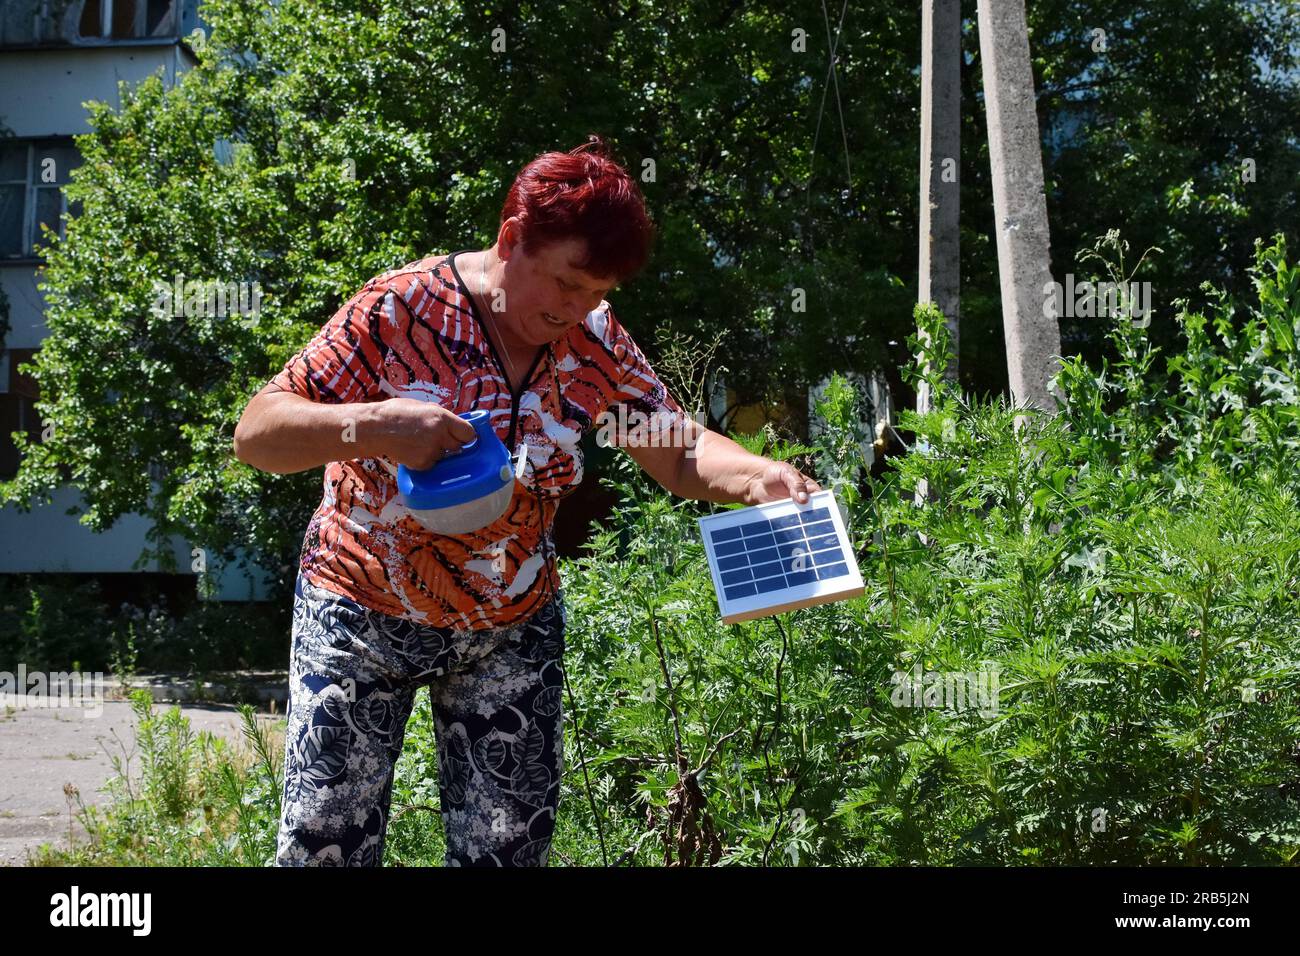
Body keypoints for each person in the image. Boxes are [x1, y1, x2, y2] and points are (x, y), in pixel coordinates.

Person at [233, 134, 822, 867]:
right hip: (360, 612)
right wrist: (376, 423)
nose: (579, 309)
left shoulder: (595, 341)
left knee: (507, 858)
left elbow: (675, 447)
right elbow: (257, 432)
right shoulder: (400, 309)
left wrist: (754, 475)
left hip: (511, 628)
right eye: (569, 284)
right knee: (326, 851)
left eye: (599, 294)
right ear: (513, 239)